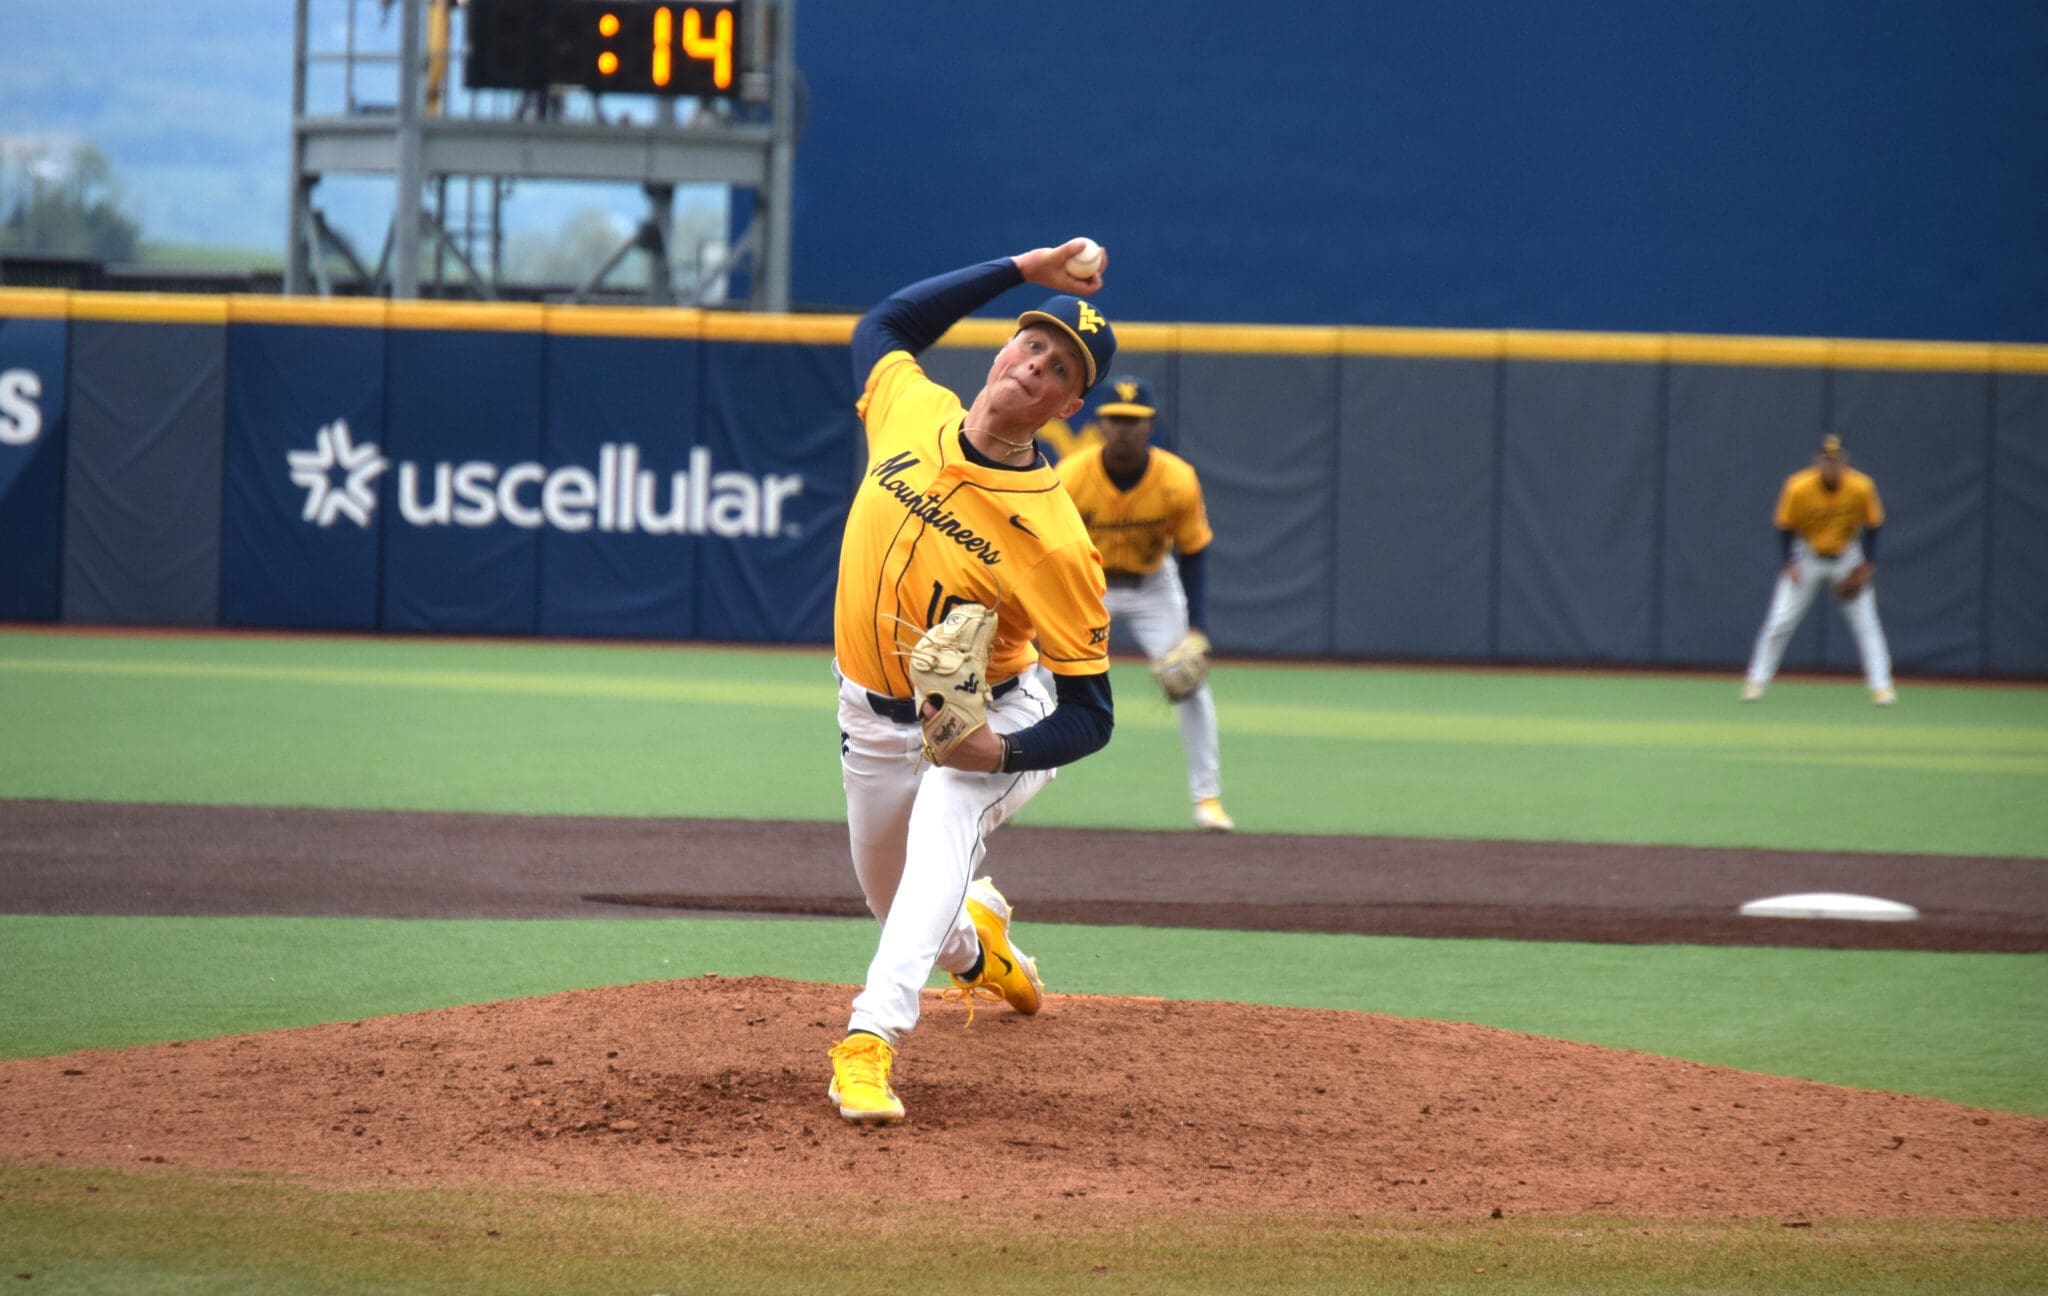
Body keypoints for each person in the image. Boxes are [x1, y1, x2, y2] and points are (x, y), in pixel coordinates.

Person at [826, 239, 1120, 1125]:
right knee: (902, 902)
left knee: (952, 803)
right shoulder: (915, 411)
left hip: (993, 713)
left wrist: (1005, 751)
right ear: (1003, 351)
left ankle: (869, 1040)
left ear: (1071, 403)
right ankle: (977, 953)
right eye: (1032, 345)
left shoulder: (1056, 538)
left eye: (1060, 368)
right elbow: (885, 323)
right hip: (871, 720)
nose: (1036, 367)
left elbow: (1092, 712)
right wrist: (1023, 270)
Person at [1053, 377, 1233, 831]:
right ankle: (1005, 792)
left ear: (1151, 426)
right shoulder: (1071, 477)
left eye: (1135, 421)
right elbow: (1047, 551)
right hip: (1087, 584)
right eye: (1116, 419)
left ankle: (1207, 799)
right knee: (1032, 678)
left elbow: (1193, 553)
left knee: (1189, 683)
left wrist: (1197, 628)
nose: (1125, 429)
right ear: (1100, 423)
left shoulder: (1177, 478)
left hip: (1153, 584)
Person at [1741, 434, 1895, 705]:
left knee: (1867, 623)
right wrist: (1789, 563)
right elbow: (1785, 526)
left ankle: (1881, 687)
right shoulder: (1798, 486)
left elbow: (1873, 524)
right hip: (1807, 555)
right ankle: (1756, 681)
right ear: (1817, 462)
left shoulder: (1861, 486)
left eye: (1836, 461)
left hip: (1847, 555)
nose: (1831, 465)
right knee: (1780, 621)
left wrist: (1867, 562)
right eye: (1827, 460)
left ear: (1845, 463)